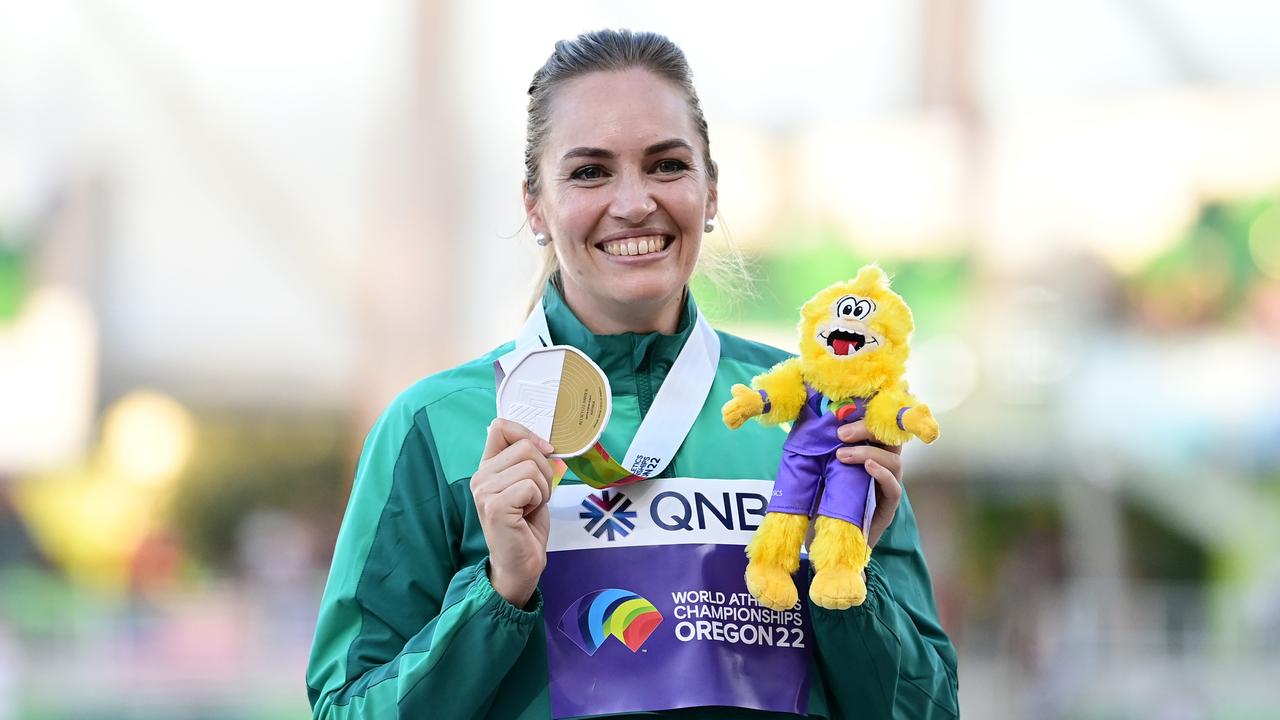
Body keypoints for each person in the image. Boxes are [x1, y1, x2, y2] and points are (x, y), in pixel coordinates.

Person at [306, 29, 958, 719]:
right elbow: (347, 709)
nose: (634, 202)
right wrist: (499, 594)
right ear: (536, 205)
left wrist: (845, 576)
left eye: (666, 165)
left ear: (710, 193)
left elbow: (927, 710)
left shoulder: (816, 415)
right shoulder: (438, 425)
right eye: (590, 172)